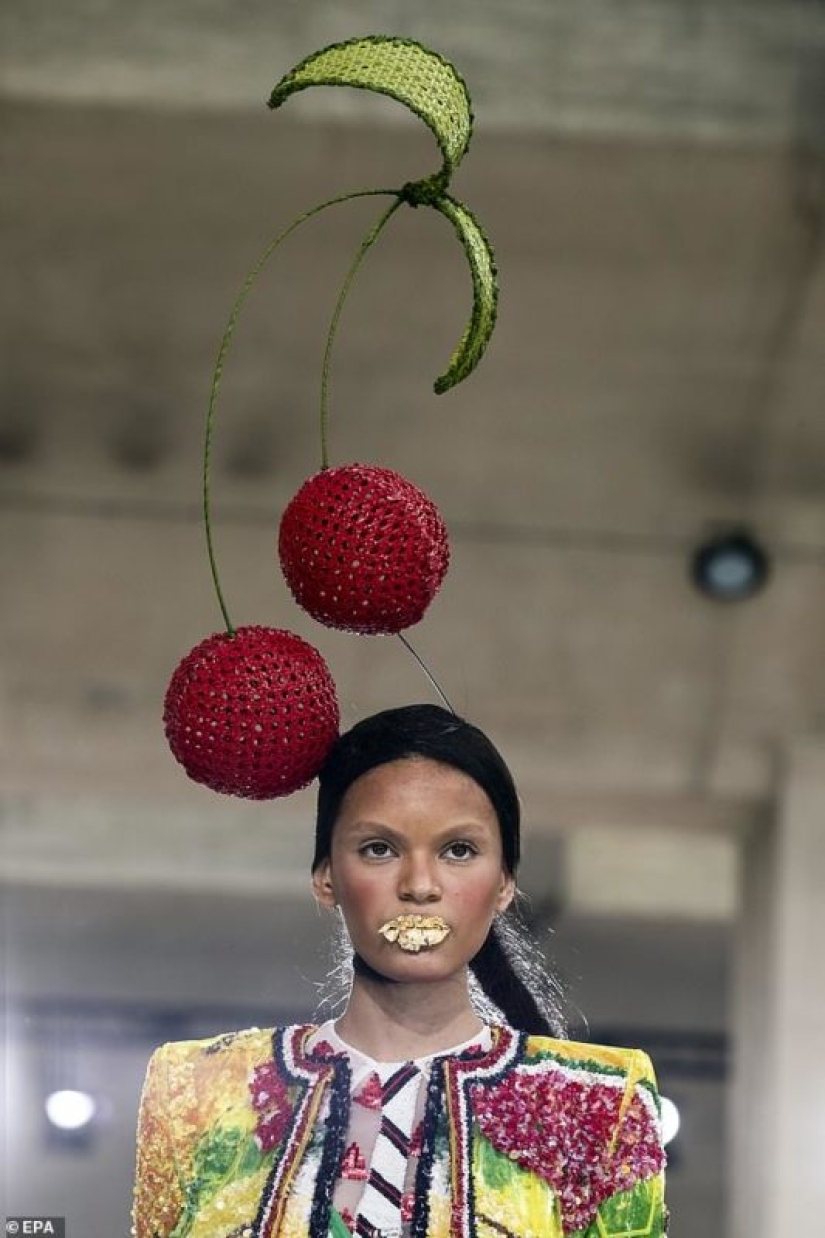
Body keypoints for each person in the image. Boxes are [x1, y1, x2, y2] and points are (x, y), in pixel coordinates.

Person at [133, 704, 667, 1238]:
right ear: (326, 878)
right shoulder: (198, 1093)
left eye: (458, 850)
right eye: (379, 848)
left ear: (504, 884)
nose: (419, 885)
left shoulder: (600, 1104)